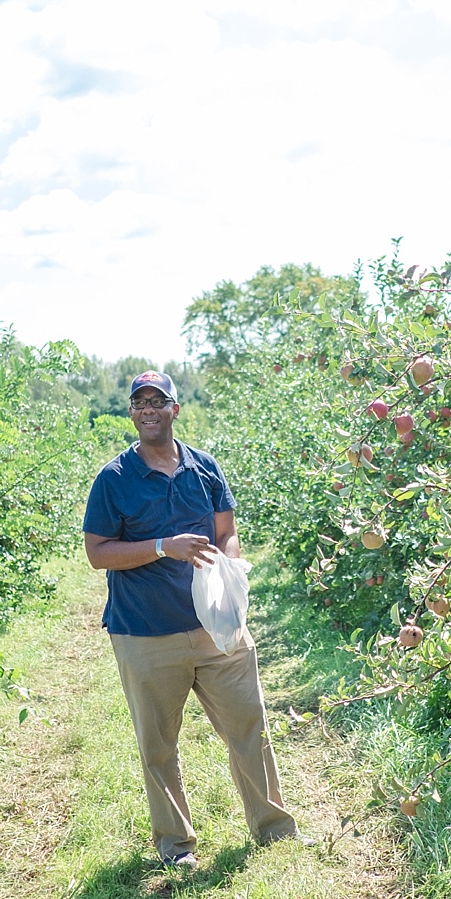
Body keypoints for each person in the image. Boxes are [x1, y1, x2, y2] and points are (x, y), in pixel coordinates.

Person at [82, 370, 300, 871]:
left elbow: (227, 532)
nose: (149, 409)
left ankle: (274, 831)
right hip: (145, 632)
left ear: (175, 409)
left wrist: (226, 568)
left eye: (159, 400)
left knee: (250, 726)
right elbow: (98, 553)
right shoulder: (114, 480)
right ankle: (176, 845)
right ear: (132, 413)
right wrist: (163, 547)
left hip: (216, 627)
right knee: (158, 744)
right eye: (139, 403)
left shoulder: (204, 469)